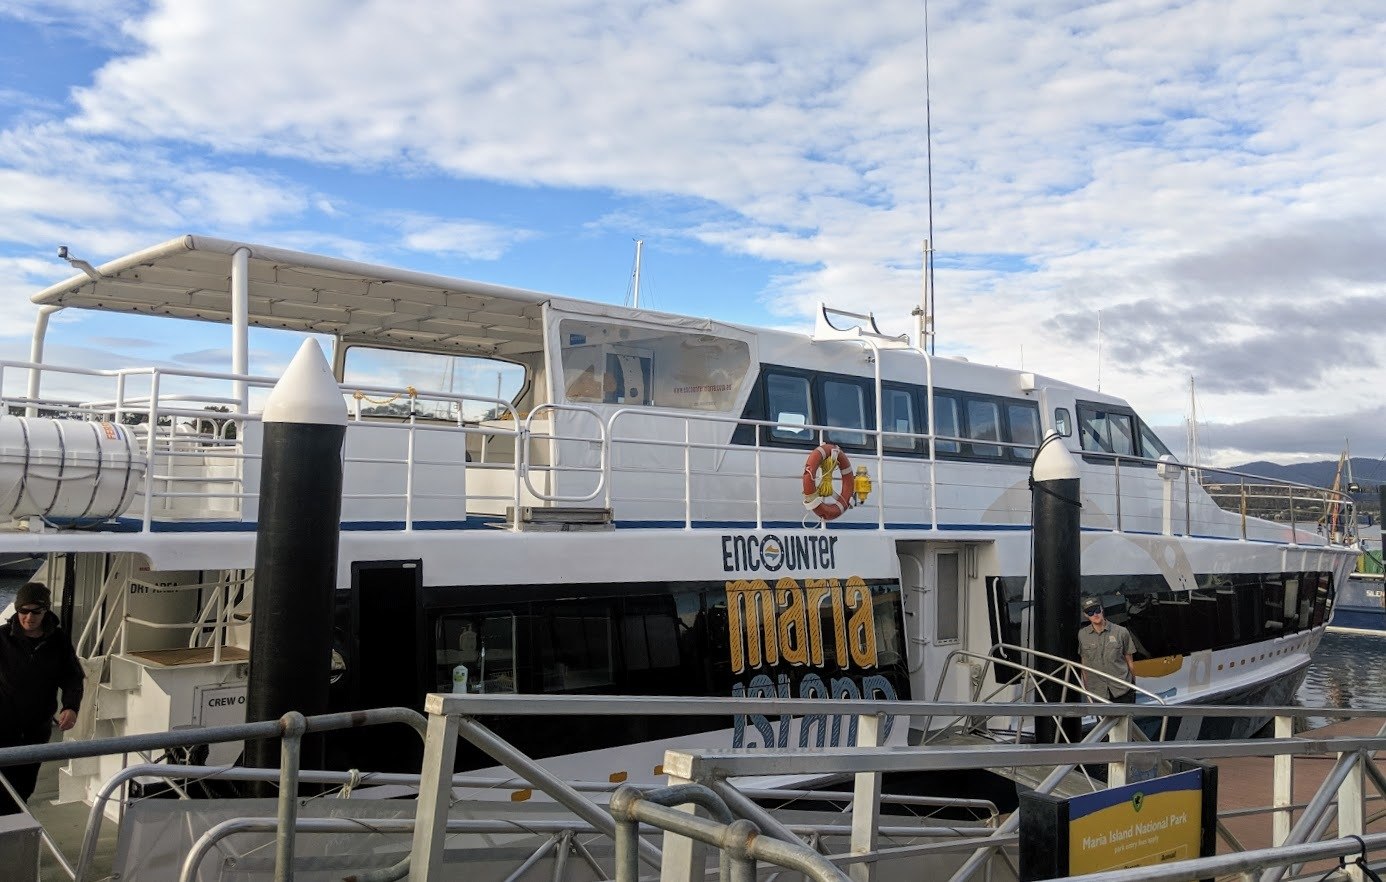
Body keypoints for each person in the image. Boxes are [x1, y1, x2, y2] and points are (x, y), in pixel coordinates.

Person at [0, 582, 85, 815]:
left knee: (24, 784)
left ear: (45, 611)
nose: (29, 617)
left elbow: (72, 677)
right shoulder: (1, 638)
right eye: (23, 611)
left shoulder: (58, 641)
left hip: (36, 728)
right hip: (2, 726)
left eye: (35, 611)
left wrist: (71, 707)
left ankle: (13, 829)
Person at [1077, 597, 1137, 704]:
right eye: (1089, 612)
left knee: (1126, 721)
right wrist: (1087, 691)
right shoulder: (1082, 635)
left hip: (1123, 690)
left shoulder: (1121, 632)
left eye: (1096, 610)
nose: (1095, 614)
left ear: (1101, 609)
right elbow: (1084, 664)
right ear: (1086, 615)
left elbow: (1130, 662)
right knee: (1104, 721)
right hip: (1098, 693)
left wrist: (1133, 686)